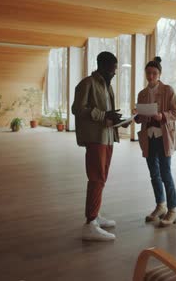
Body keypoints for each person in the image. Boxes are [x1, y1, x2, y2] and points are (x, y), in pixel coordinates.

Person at [72, 51, 129, 241]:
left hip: (107, 137)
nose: (114, 74)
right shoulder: (87, 83)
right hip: (95, 138)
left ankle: (95, 215)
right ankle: (90, 223)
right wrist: (104, 116)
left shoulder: (106, 85)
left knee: (102, 177)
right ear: (102, 67)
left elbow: (107, 113)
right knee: (96, 177)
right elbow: (78, 109)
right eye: (112, 70)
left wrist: (118, 121)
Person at [134, 56, 176, 227]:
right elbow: (139, 118)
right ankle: (160, 206)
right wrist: (137, 116)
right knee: (154, 174)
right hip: (149, 137)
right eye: (148, 73)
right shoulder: (142, 93)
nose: (151, 76)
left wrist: (162, 116)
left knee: (165, 173)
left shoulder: (168, 90)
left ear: (159, 74)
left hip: (163, 137)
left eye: (154, 73)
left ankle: (173, 210)